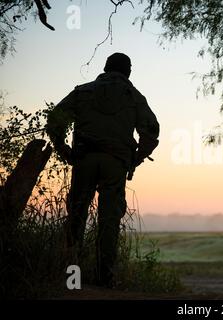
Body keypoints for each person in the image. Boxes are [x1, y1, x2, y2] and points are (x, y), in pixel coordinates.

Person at [46, 53, 159, 287]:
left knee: (76, 216)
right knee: (109, 221)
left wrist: (63, 149)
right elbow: (151, 132)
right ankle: (104, 280)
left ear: (106, 68)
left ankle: (70, 279)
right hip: (115, 164)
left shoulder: (83, 91)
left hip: (84, 159)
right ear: (128, 71)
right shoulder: (134, 96)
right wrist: (134, 160)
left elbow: (55, 119)